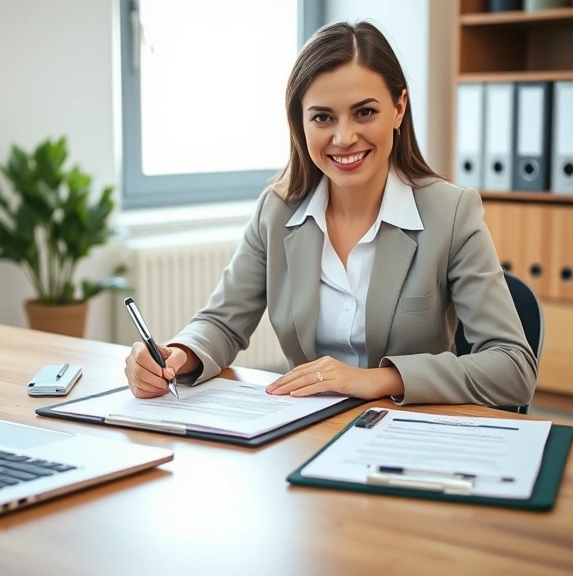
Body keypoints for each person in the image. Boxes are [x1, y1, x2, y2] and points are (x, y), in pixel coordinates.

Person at [124, 21, 536, 406]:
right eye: (323, 117)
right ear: (300, 123)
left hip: (409, 434)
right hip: (306, 433)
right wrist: (177, 354)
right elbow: (222, 323)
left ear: (398, 109)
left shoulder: (451, 213)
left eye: (365, 112)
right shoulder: (276, 209)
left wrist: (380, 379)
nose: (343, 137)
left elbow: (513, 366)